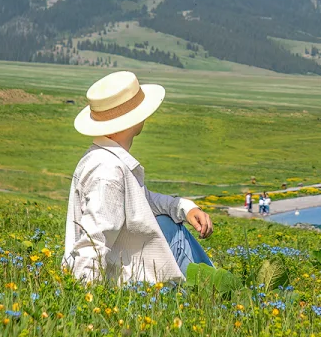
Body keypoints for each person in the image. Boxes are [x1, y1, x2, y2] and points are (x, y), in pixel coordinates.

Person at [62, 70, 213, 285]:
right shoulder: (109, 172)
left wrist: (185, 208)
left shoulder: (100, 157)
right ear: (132, 120)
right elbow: (94, 240)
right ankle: (221, 297)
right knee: (175, 234)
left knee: (165, 222)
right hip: (128, 284)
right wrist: (83, 296)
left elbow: (142, 202)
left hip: (121, 267)